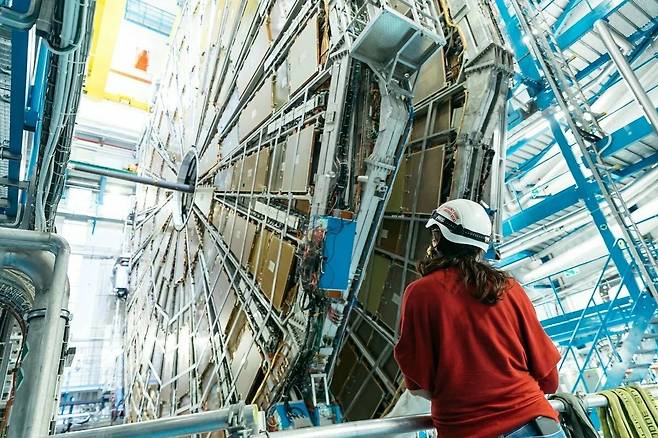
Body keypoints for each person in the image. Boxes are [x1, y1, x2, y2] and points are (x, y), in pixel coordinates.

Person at [393, 198, 565, 438]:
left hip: (466, 430)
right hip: (536, 424)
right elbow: (547, 372)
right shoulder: (509, 288)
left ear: (438, 238)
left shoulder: (421, 293)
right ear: (480, 245)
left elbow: (418, 379)